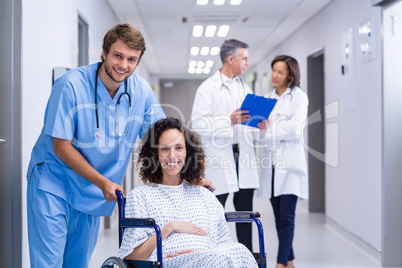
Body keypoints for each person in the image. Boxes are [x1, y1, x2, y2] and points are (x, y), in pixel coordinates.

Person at [25, 24, 167, 268]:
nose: (123, 65)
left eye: (131, 59)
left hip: (91, 193)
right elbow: (61, 146)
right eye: (117, 56)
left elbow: (163, 137)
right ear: (104, 52)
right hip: (53, 183)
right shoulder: (70, 86)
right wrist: (103, 182)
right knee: (48, 262)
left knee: (76, 263)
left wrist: (192, 177)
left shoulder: (140, 91)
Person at [118, 117, 258, 267]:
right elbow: (131, 257)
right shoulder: (140, 196)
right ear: (155, 155)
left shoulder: (204, 195)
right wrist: (169, 228)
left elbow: (223, 245)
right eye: (165, 149)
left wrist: (200, 254)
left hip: (209, 258)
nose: (172, 155)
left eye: (178, 148)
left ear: (188, 153)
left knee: (241, 250)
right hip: (168, 261)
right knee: (219, 259)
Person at [190, 39, 268, 252]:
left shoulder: (245, 87)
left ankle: (247, 261)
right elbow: (197, 122)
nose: (247, 63)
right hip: (219, 160)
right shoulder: (208, 88)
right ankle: (212, 258)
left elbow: (249, 126)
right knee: (215, 216)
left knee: (246, 217)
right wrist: (228, 120)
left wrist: (261, 126)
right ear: (230, 59)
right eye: (244, 58)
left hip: (244, 158)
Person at [257, 55, 309, 268]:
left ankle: (280, 264)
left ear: (290, 75)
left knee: (287, 217)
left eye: (280, 72)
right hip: (270, 167)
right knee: (279, 218)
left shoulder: (299, 97)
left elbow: (294, 130)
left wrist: (269, 129)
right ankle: (289, 261)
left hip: (290, 167)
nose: (275, 76)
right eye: (274, 70)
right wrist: (266, 130)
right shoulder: (266, 98)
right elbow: (258, 134)